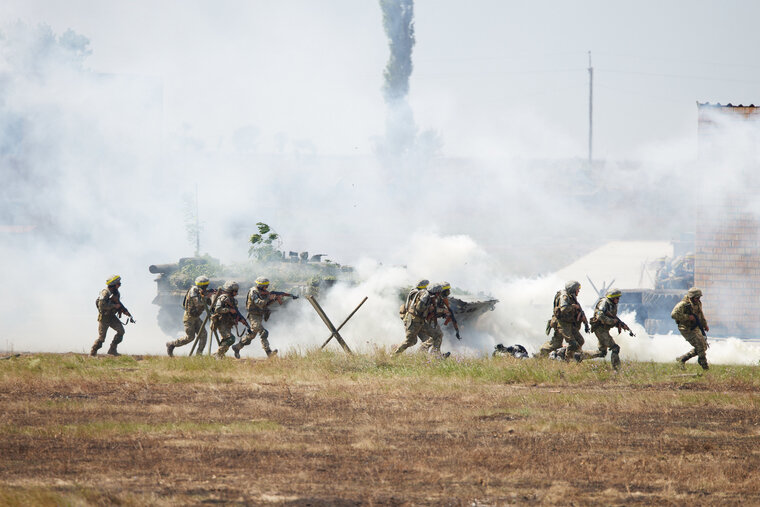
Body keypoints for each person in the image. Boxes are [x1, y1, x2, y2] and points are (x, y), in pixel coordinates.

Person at [233, 277, 282, 358]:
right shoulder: (253, 291)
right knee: (263, 332)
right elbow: (259, 303)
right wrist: (268, 298)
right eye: (265, 286)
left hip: (259, 315)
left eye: (267, 286)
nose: (266, 288)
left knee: (252, 335)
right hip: (253, 315)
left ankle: (237, 347)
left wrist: (274, 299)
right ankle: (269, 352)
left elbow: (266, 304)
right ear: (260, 285)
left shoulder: (263, 292)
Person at [539, 280, 588, 361]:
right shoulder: (564, 296)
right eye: (577, 289)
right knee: (572, 343)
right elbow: (564, 308)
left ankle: (567, 358)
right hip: (562, 324)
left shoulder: (571, 296)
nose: (578, 291)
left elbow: (580, 310)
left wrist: (585, 323)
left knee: (579, 341)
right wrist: (573, 307)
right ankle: (566, 360)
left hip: (569, 323)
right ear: (573, 289)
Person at [166, 276, 213, 357]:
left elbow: (208, 303)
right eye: (205, 286)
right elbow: (198, 303)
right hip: (189, 318)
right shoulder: (194, 290)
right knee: (190, 337)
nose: (206, 288)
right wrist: (207, 296)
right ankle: (171, 344)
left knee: (204, 335)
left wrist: (211, 296)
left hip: (196, 317)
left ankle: (199, 355)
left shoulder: (201, 291)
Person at [586, 288, 632, 370]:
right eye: (617, 298)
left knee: (602, 353)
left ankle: (579, 356)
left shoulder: (612, 304)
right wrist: (612, 321)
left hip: (604, 329)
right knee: (615, 348)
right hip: (600, 329)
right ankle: (616, 370)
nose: (618, 300)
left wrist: (620, 324)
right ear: (612, 298)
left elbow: (612, 316)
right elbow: (599, 316)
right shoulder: (604, 303)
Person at [91, 275, 133, 357]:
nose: (120, 285)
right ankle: (93, 353)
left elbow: (119, 303)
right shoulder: (105, 293)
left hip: (112, 317)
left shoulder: (116, 293)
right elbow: (101, 306)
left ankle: (112, 350)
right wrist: (114, 306)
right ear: (114, 284)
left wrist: (125, 311)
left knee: (121, 331)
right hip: (104, 318)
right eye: (118, 283)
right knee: (101, 338)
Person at [394, 280, 438, 355]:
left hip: (418, 321)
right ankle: (394, 354)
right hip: (414, 321)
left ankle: (425, 355)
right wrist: (429, 308)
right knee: (411, 341)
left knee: (431, 337)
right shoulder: (421, 294)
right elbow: (419, 309)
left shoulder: (415, 293)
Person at [671, 287, 710, 370]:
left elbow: (701, 315)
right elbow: (673, 315)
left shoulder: (698, 303)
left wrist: (704, 324)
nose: (698, 299)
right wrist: (688, 317)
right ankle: (704, 366)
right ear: (691, 297)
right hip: (685, 328)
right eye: (697, 298)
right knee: (699, 345)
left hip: (695, 326)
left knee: (703, 346)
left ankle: (682, 359)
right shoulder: (683, 304)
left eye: (699, 297)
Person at [421, 282, 460, 357]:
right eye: (447, 291)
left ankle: (430, 352)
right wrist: (443, 311)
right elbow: (430, 309)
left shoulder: (440, 298)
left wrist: (445, 313)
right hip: (427, 320)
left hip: (432, 320)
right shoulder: (433, 297)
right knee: (438, 335)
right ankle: (433, 353)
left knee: (438, 336)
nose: (448, 293)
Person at [211, 281, 242, 359]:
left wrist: (239, 319)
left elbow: (235, 312)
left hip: (228, 322)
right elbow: (217, 309)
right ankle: (218, 354)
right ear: (230, 291)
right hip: (221, 322)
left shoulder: (233, 300)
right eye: (235, 291)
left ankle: (220, 355)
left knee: (226, 340)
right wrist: (228, 310)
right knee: (230, 339)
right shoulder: (223, 298)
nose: (236, 292)